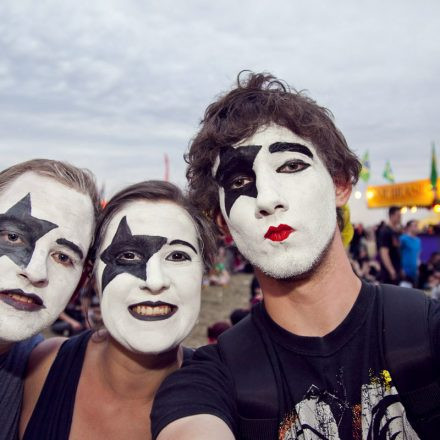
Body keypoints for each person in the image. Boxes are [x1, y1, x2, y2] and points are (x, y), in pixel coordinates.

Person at [151, 72, 438, 439]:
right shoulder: (209, 381)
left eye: (290, 166)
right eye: (239, 183)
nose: (268, 199)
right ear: (223, 223)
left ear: (340, 184)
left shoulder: (427, 331)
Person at [19, 180, 216, 440]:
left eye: (177, 256)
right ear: (92, 275)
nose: (155, 281)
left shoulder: (221, 389)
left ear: (203, 273)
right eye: (128, 257)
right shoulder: (43, 364)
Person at [0, 158, 98, 440]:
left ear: (80, 282)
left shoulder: (42, 377)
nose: (35, 272)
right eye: (13, 236)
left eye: (63, 257)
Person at [377, 206, 402, 285]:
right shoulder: (385, 231)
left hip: (396, 268)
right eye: (398, 216)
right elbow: (384, 253)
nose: (400, 218)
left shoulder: (395, 231)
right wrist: (391, 270)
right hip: (389, 273)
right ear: (391, 215)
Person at [400, 220, 421, 287]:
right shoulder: (403, 239)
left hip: (414, 271)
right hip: (405, 271)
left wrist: (417, 268)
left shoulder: (418, 240)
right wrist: (401, 269)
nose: (416, 227)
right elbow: (398, 254)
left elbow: (417, 254)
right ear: (409, 227)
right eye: (414, 226)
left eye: (416, 226)